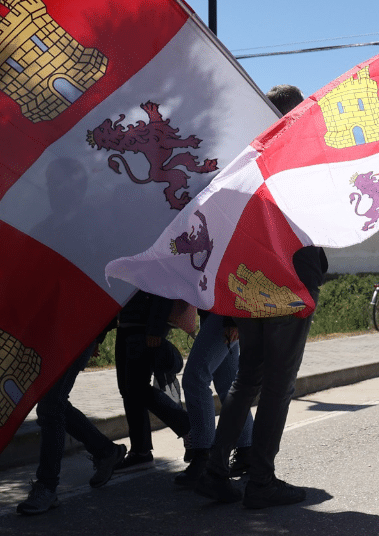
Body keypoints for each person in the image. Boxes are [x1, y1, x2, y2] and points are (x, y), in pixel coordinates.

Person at [195, 84, 328, 509]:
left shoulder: (247, 158)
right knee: (277, 385)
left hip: (249, 282)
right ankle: (262, 481)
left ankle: (215, 469)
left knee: (247, 376)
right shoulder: (301, 159)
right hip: (288, 282)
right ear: (296, 114)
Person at [17, 326, 127, 516]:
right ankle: (106, 451)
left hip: (77, 333)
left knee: (51, 406)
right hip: (52, 335)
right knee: (54, 404)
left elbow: (104, 302)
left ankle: (47, 485)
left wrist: (96, 335)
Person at [112, 291, 190, 472]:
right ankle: (141, 452)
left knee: (137, 389)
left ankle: (189, 427)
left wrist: (156, 328)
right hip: (125, 323)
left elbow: (162, 284)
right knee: (127, 390)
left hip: (144, 325)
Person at [174, 310, 253, 486]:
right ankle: (246, 451)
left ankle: (204, 456)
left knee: (195, 379)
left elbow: (230, 281)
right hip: (221, 313)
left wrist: (232, 319)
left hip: (224, 312)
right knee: (229, 384)